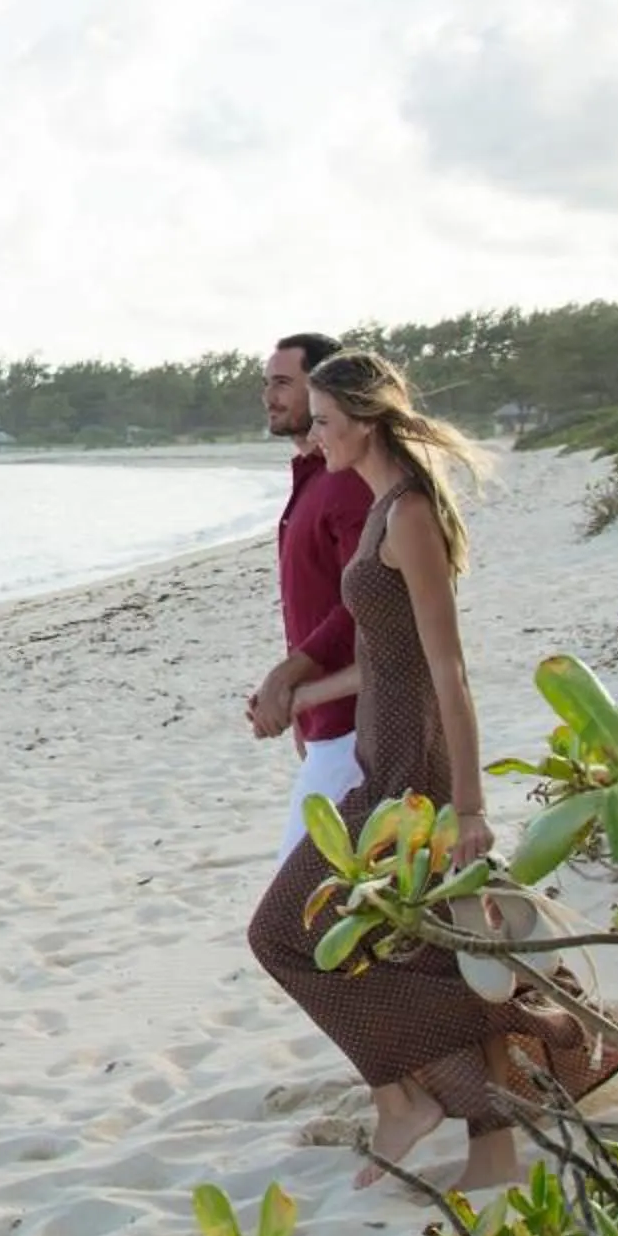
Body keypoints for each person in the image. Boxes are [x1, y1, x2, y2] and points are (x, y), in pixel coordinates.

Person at [245, 351, 618, 1192]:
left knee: (282, 934)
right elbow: (385, 655)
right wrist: (298, 688)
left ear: (364, 419)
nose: (314, 434)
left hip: (410, 766)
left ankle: (529, 1044)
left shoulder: (409, 514)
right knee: (420, 952)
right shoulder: (381, 507)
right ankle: (492, 1135)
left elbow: (448, 669)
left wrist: (470, 805)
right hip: (379, 753)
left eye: (323, 419)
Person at [247, 334, 371, 867]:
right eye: (266, 383)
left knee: (291, 913)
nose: (268, 397)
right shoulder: (311, 483)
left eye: (282, 383)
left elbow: (364, 603)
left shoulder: (347, 485)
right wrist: (298, 704)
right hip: (324, 723)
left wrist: (288, 675)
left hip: (356, 726)